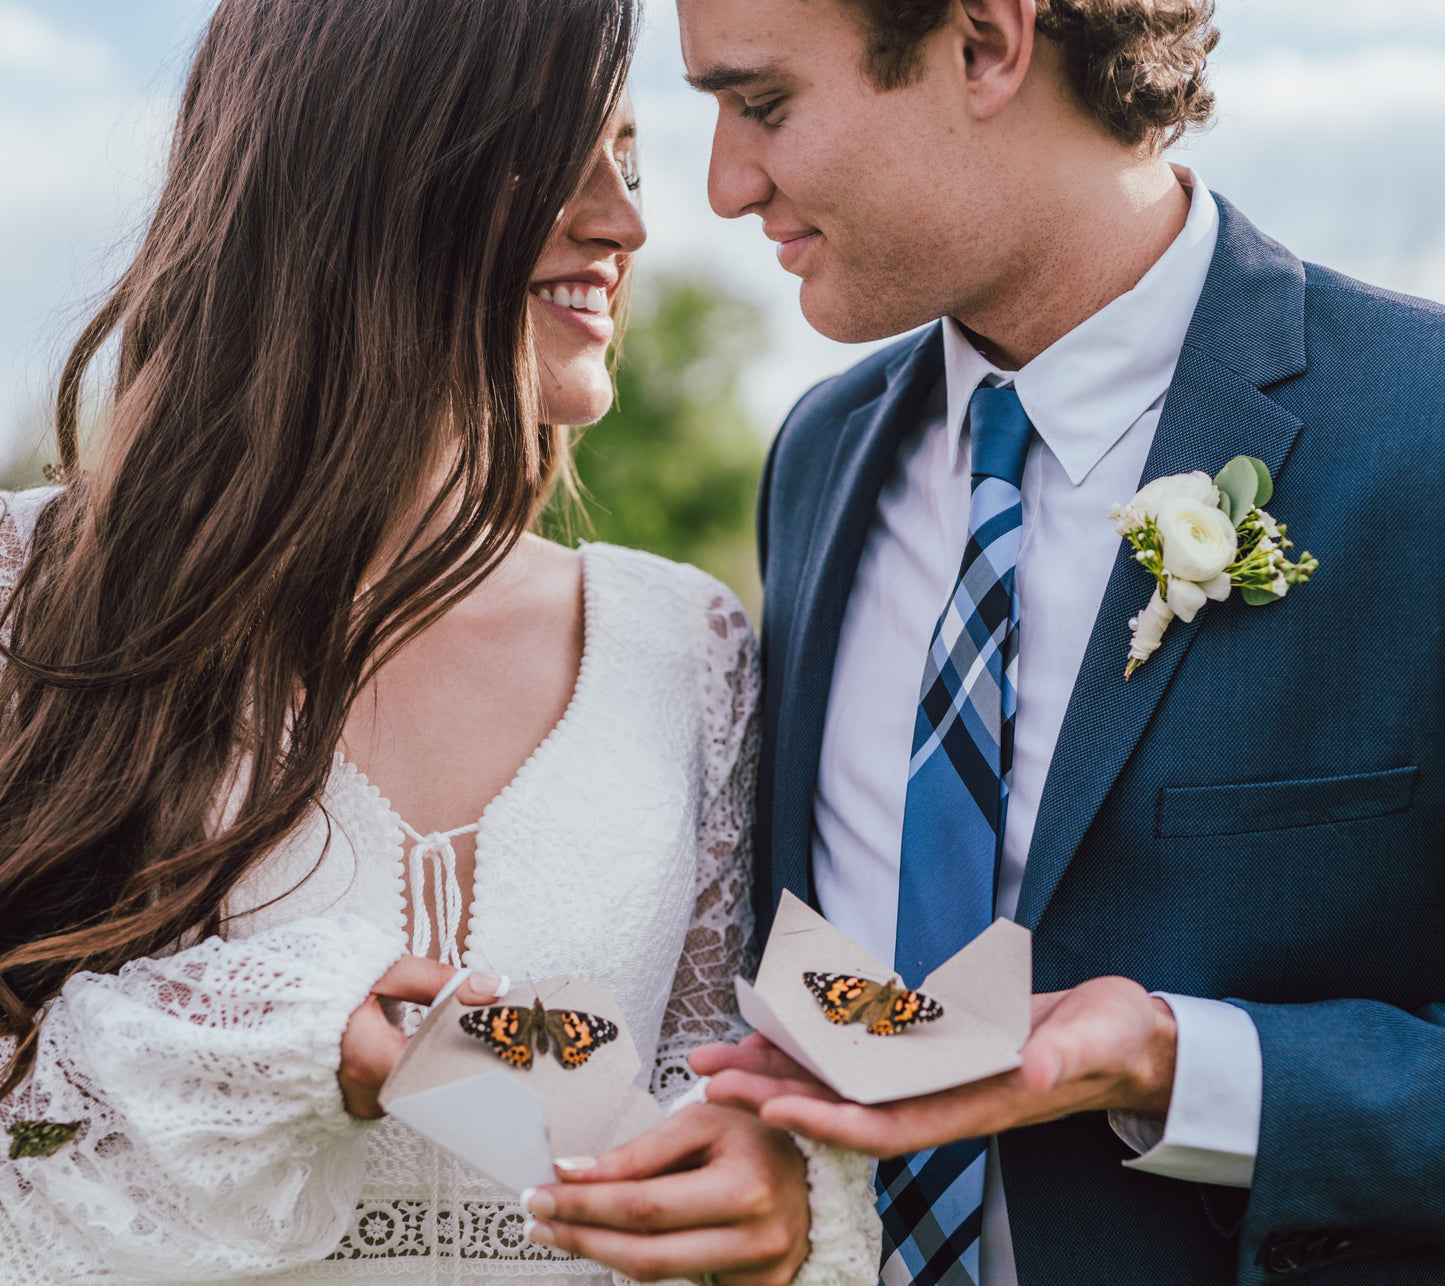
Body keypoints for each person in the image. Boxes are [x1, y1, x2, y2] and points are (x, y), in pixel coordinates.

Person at [0, 2, 879, 1282]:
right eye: (551, 156)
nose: (624, 221)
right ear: (357, 166)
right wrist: (304, 1043)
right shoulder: (30, 591)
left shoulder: (684, 643)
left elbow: (715, 1075)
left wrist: (765, 1184)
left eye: (624, 160)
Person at [674, 0, 1445, 1282]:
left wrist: (1172, 1060)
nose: (723, 184)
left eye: (761, 106)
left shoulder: (1419, 436)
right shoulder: (816, 454)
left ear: (983, 44)